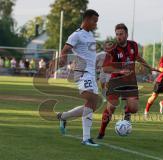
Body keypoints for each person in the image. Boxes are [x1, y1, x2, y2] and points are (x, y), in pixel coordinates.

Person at [97, 23, 153, 139]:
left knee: (134, 109)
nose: (118, 36)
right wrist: (121, 71)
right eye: (117, 34)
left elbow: (136, 57)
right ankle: (101, 132)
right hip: (116, 82)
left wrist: (148, 66)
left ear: (126, 34)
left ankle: (127, 110)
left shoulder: (133, 45)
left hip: (130, 82)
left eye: (121, 34)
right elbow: (105, 68)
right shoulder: (112, 50)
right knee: (111, 107)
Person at [57, 9, 100, 147]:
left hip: (91, 73)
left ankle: (63, 117)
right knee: (92, 99)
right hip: (82, 72)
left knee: (92, 104)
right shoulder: (76, 35)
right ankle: (86, 138)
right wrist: (62, 59)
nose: (95, 24)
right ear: (86, 19)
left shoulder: (90, 35)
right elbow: (65, 50)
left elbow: (90, 55)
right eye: (94, 21)